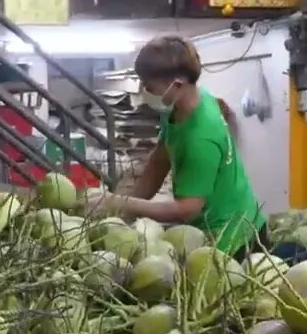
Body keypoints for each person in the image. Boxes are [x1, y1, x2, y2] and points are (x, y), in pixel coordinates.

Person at [86, 35, 268, 259]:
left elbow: (187, 209)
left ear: (177, 84)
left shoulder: (200, 136)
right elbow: (158, 164)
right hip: (210, 227)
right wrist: (119, 212)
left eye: (149, 85)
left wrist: (120, 202)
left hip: (234, 239)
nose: (144, 90)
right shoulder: (180, 106)